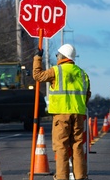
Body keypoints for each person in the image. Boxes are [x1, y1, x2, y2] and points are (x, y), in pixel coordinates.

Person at [32, 44, 91, 180]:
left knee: (62, 147)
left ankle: (62, 177)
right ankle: (81, 176)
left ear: (61, 56)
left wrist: (37, 58)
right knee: (77, 146)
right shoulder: (82, 73)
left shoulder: (56, 71)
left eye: (57, 55)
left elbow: (37, 76)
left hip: (61, 115)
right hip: (78, 114)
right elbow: (87, 94)